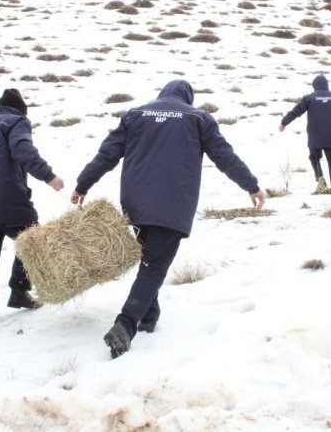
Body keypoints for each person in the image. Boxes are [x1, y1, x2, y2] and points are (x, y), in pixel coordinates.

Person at [71, 80, 265, 359]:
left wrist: (83, 184)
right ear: (188, 97)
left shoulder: (136, 115)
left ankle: (149, 315)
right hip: (172, 203)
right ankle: (126, 324)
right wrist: (252, 185)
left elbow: (107, 155)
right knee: (154, 265)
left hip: (136, 203)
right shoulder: (198, 119)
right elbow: (225, 157)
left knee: (150, 258)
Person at [0, 89, 64, 332]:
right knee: (34, 240)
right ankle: (19, 289)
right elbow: (23, 150)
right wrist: (48, 176)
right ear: (21, 110)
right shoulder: (15, 121)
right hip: (6, 199)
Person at [279, 74, 331, 193]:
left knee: (314, 157)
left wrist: (284, 122)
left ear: (314, 86)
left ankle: (320, 178)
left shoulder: (309, 98)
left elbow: (296, 111)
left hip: (315, 136)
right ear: (326, 85)